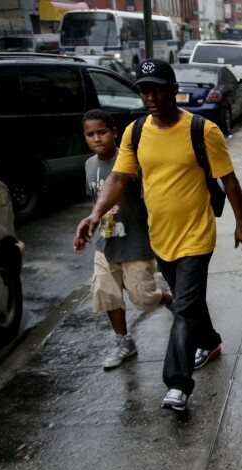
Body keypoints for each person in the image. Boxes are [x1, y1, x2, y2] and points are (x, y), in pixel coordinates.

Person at [74, 59, 242, 412]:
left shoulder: (202, 130)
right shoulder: (135, 132)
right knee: (190, 301)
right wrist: (95, 214)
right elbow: (118, 178)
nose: (151, 96)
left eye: (158, 88)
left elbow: (228, 179)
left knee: (183, 306)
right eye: (144, 90)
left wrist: (241, 222)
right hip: (160, 236)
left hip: (196, 235)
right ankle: (211, 342)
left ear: (174, 91)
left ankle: (177, 385)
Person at [73, 109, 173, 370]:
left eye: (102, 132)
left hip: (136, 243)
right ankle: (123, 341)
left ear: (114, 132)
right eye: (90, 134)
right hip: (106, 245)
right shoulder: (89, 166)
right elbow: (97, 203)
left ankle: (171, 300)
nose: (97, 139)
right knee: (107, 294)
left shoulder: (131, 161)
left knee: (144, 298)